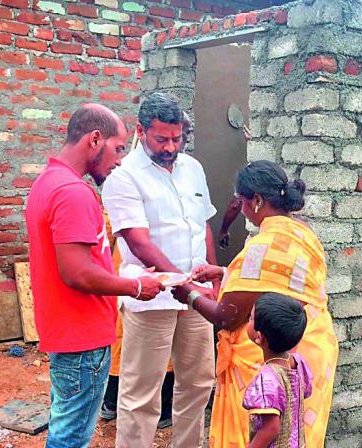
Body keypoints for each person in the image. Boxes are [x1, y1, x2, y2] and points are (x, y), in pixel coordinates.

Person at [25, 103, 163, 448]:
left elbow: (82, 264)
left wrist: (122, 275)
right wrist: (134, 286)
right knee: (70, 438)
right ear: (95, 139)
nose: (119, 161)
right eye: (118, 149)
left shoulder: (48, 181)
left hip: (67, 330)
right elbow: (77, 274)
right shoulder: (73, 192)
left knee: (66, 426)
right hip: (82, 337)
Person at [175, 160, 339, 448]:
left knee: (262, 433)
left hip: (271, 354)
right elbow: (281, 283)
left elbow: (226, 316)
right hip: (310, 350)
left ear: (258, 200)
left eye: (242, 200)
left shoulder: (264, 246)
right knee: (299, 434)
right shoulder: (302, 233)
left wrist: (188, 293)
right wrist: (225, 273)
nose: (241, 208)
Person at [101, 93, 217, 448]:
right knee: (141, 393)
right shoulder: (124, 177)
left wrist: (210, 279)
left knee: (198, 383)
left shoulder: (193, 168)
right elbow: (139, 244)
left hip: (195, 296)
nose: (171, 147)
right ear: (140, 131)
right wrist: (184, 285)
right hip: (152, 298)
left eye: (177, 138)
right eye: (161, 139)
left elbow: (203, 226)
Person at [243, 293, 313, 448]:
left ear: (259, 337)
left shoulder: (266, 377)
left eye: (250, 318)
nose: (248, 319)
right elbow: (306, 392)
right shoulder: (298, 362)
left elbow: (271, 428)